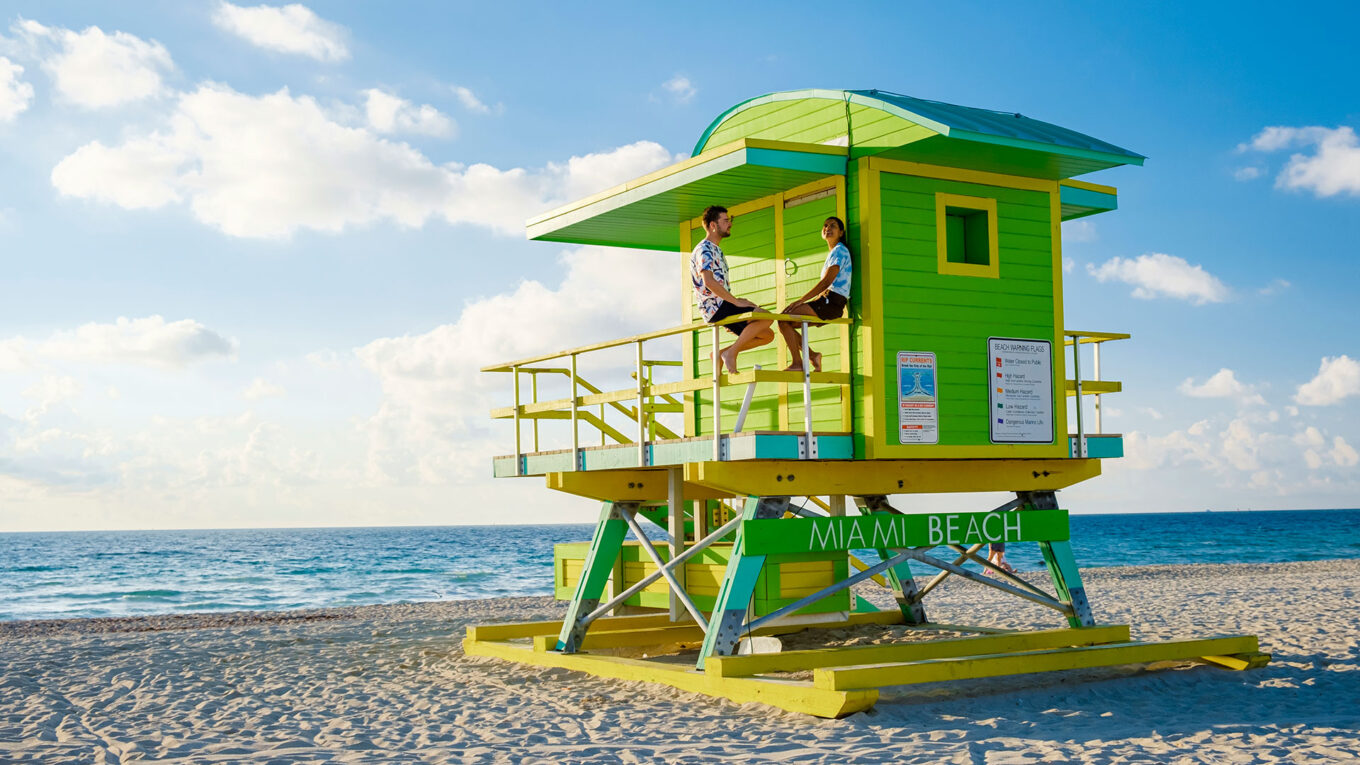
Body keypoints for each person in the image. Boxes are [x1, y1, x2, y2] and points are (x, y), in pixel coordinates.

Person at [691, 205, 774, 373]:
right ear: (713, 225)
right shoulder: (705, 249)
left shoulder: (716, 249)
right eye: (726, 220)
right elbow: (708, 281)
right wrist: (735, 302)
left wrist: (736, 301)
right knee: (766, 317)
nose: (730, 224)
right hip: (715, 307)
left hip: (723, 305)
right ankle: (731, 353)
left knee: (767, 335)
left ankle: (721, 353)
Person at [777, 216, 852, 371]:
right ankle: (812, 356)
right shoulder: (834, 252)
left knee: (783, 319)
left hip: (831, 302)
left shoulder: (839, 251)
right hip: (827, 301)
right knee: (786, 323)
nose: (828, 228)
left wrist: (801, 301)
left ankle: (798, 363)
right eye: (825, 225)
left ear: (841, 232)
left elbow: (826, 282)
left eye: (833, 226)